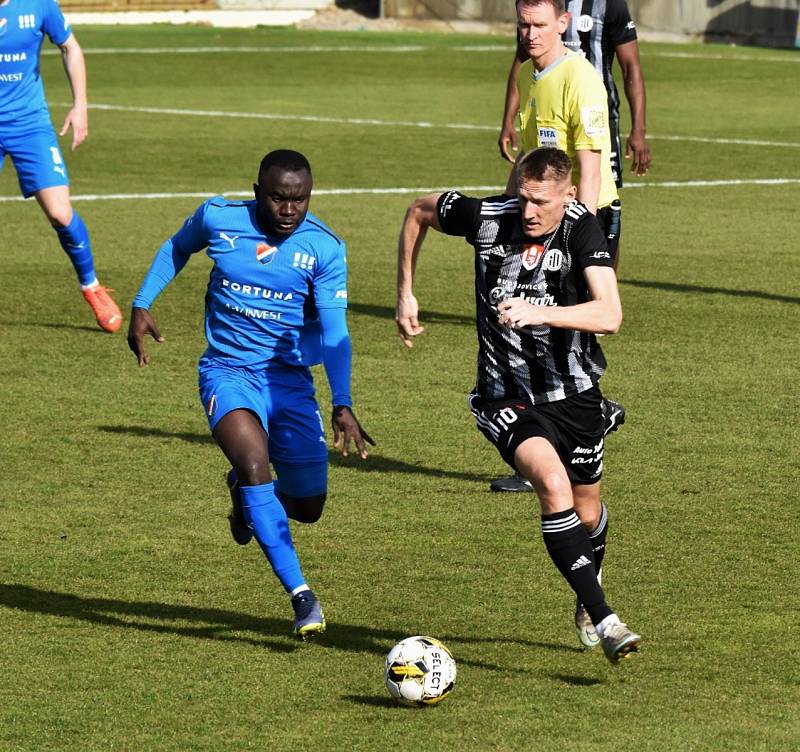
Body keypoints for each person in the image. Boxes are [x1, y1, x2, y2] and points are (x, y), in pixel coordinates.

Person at [395, 147, 641, 663]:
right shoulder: (489, 217)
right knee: (550, 485)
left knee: (586, 508)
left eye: (540, 202)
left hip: (574, 396)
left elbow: (610, 314)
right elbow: (419, 210)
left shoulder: (582, 230)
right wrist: (406, 293)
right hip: (503, 395)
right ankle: (607, 619)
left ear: (568, 195)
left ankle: (586, 588)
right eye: (522, 198)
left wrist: (540, 311)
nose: (528, 211)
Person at [127, 149, 373, 638]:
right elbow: (177, 246)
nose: (288, 210)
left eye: (299, 200)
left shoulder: (324, 249)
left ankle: (247, 499)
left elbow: (334, 330)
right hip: (228, 372)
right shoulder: (219, 218)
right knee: (254, 463)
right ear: (258, 191)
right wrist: (141, 302)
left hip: (289, 381)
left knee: (308, 506)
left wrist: (341, 400)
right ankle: (302, 597)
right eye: (279, 198)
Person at [494, 0, 633, 492]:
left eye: (538, 24)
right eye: (523, 24)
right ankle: (545, 447)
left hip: (585, 219)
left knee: (565, 324)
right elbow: (534, 161)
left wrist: (578, 234)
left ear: (563, 23)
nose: (529, 34)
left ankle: (587, 416)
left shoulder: (580, 78)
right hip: (552, 221)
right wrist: (508, 217)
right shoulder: (540, 77)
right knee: (536, 329)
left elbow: (589, 167)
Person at [0, 0, 122, 332]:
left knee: (60, 213)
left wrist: (80, 106)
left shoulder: (39, 5)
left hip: (30, 125)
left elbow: (70, 47)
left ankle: (92, 287)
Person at [499, 0, 650, 182]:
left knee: (597, 184)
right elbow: (522, 60)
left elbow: (630, 66)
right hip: (549, 110)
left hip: (596, 116)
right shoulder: (539, 5)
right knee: (547, 184)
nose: (531, 32)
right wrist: (508, 120)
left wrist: (638, 130)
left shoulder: (608, 3)